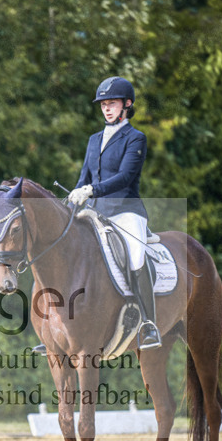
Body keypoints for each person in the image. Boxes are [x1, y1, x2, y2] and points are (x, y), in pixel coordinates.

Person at [68, 76, 161, 350]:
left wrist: (91, 191)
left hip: (126, 211)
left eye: (112, 104)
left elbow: (124, 177)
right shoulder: (94, 140)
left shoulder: (136, 138)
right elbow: (83, 177)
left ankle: (149, 324)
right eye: (103, 105)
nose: (106, 109)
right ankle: (59, 326)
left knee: (134, 255)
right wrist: (70, 205)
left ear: (127, 105)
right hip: (95, 212)